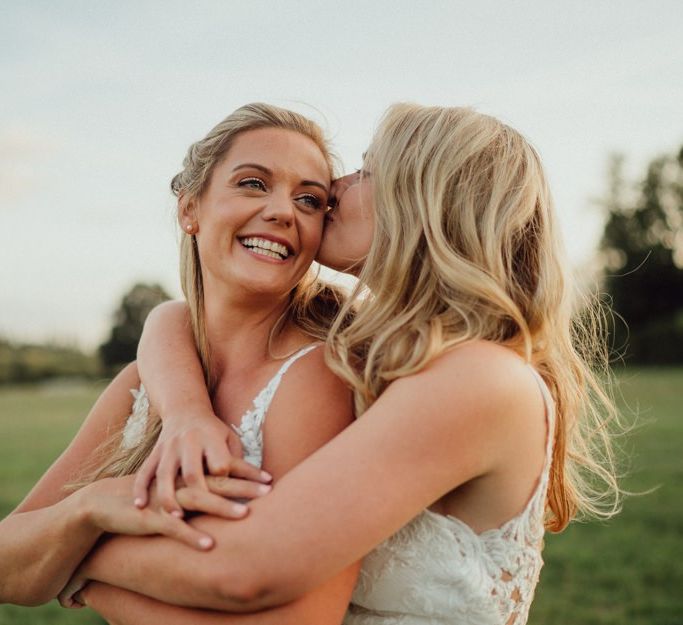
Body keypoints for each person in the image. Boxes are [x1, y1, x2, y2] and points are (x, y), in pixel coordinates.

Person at [59, 103, 622, 625]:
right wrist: (184, 411)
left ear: (420, 203)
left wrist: (78, 547)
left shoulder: (478, 379)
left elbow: (248, 567)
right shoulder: (404, 360)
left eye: (365, 172)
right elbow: (177, 319)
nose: (336, 189)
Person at [0, 103, 361, 624]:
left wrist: (79, 562)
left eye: (309, 199)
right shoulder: (147, 380)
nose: (284, 211)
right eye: (254, 184)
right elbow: (10, 561)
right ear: (190, 208)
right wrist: (90, 507)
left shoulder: (316, 377)